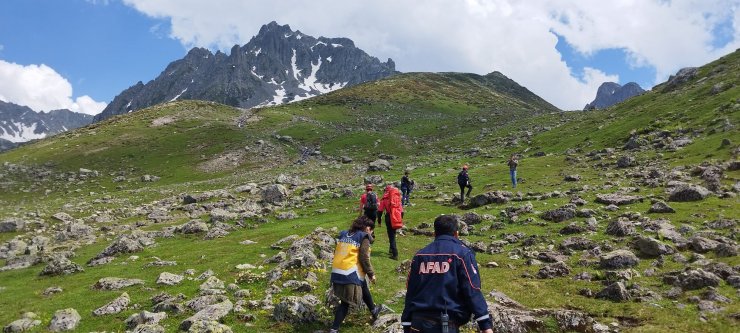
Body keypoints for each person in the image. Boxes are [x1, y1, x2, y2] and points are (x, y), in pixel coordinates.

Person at [401, 215, 493, 333]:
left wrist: (406, 323)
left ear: (435, 233)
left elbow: (411, 290)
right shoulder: (462, 254)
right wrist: (485, 324)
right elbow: (472, 289)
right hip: (445, 324)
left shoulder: (420, 256)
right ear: (456, 234)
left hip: (417, 323)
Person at [330, 216, 382, 333]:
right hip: (349, 272)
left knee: (363, 285)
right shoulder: (363, 237)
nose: (372, 233)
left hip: (337, 271)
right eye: (372, 230)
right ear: (368, 228)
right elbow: (364, 257)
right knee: (345, 302)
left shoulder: (344, 234)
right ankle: (334, 329)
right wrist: (371, 273)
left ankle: (374, 310)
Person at [377, 184, 403, 260]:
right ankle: (391, 250)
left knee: (391, 236)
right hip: (396, 217)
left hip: (388, 217)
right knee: (393, 234)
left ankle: (395, 254)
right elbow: (401, 210)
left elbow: (380, 211)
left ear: (386, 190)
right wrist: (400, 219)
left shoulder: (384, 199)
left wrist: (379, 221)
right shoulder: (396, 198)